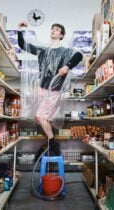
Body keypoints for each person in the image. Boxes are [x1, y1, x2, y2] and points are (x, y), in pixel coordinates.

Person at [18, 21, 83, 155]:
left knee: (40, 116)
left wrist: (67, 66)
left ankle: (53, 144)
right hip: (41, 89)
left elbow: (79, 55)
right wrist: (20, 30)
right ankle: (49, 147)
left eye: (57, 29)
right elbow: (22, 45)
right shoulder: (43, 50)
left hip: (54, 89)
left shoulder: (66, 51)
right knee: (43, 119)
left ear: (61, 35)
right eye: (52, 28)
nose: (53, 30)